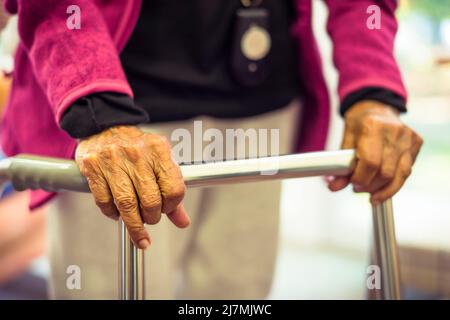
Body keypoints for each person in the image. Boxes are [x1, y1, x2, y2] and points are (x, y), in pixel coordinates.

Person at [1, 0, 423, 299]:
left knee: (239, 292)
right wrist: (97, 110)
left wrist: (374, 91)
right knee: (112, 290)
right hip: (122, 112)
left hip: (261, 111)